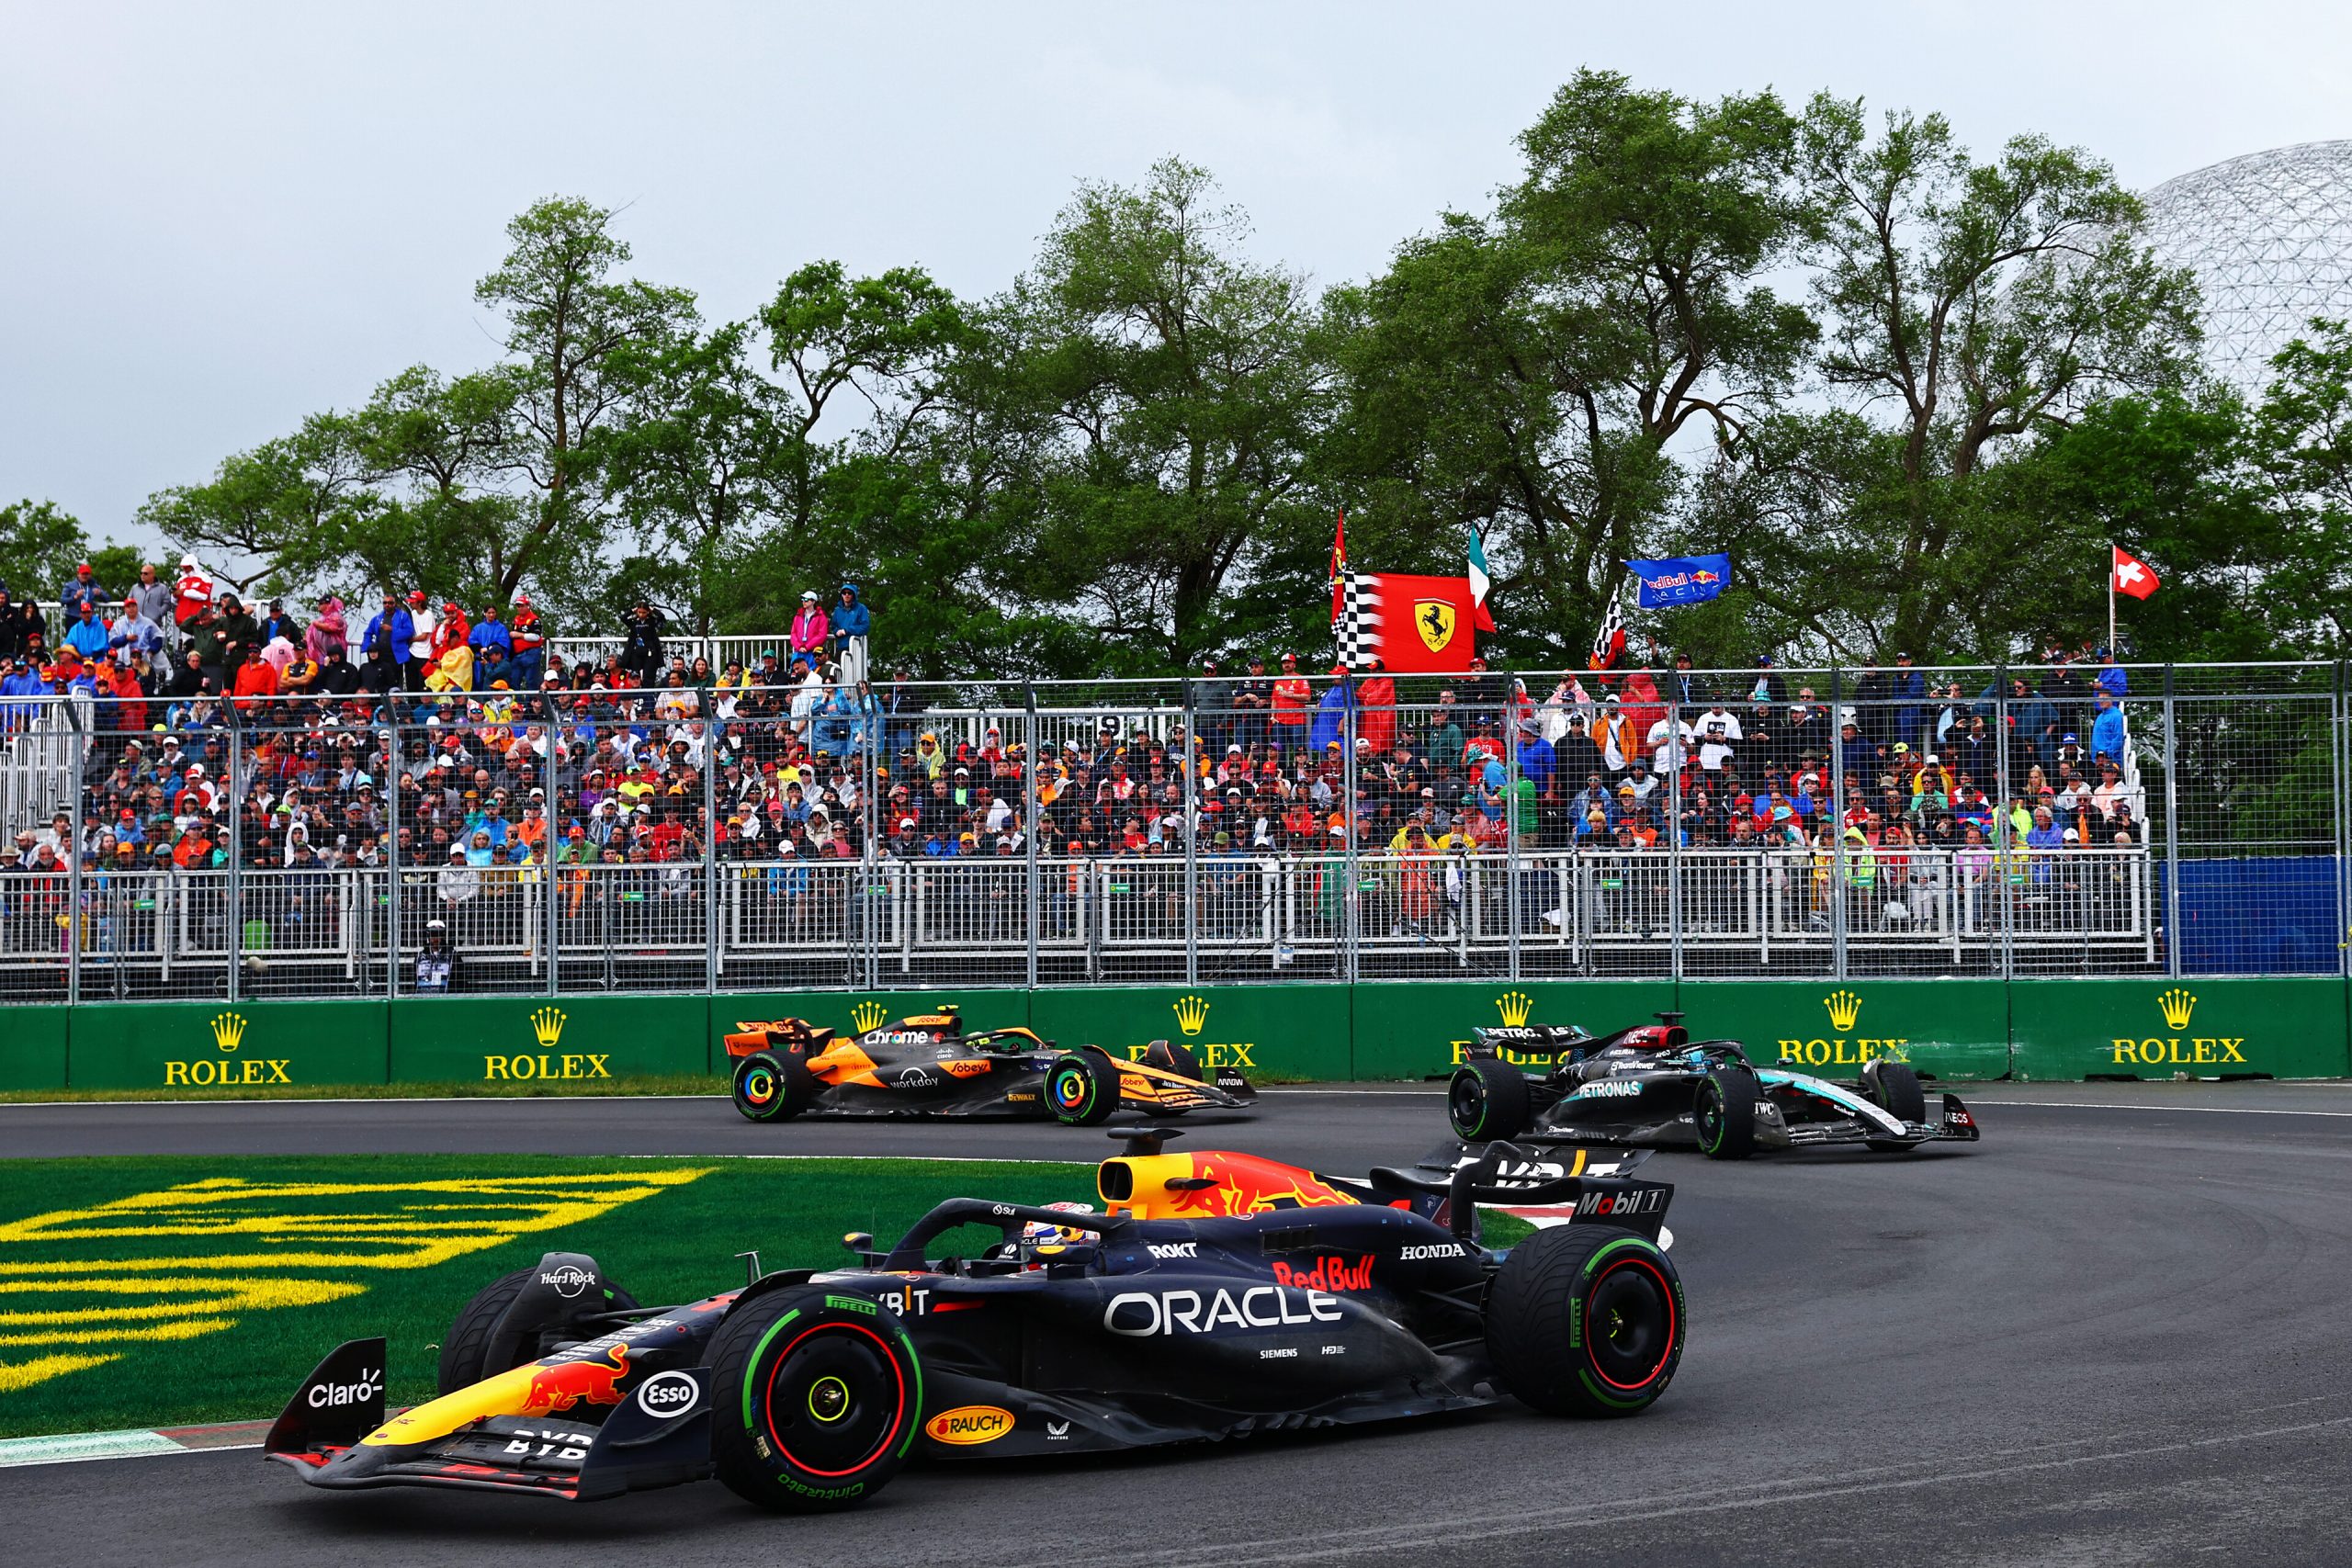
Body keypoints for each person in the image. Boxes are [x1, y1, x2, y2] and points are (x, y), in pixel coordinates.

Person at [830, 582, 871, 685]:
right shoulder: (837, 610)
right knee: (836, 672)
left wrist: (847, 630)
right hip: (841, 646)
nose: (846, 595)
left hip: (856, 648)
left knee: (854, 675)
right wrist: (836, 631)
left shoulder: (861, 608)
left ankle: (857, 691)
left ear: (854, 595)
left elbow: (865, 626)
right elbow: (833, 626)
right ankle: (837, 692)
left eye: (849, 593)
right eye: (844, 593)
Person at [414, 916, 460, 993]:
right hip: (423, 998)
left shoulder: (453, 956)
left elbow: (459, 982)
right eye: (433, 934)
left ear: (442, 936)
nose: (435, 938)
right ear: (428, 936)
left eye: (439, 934)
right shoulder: (420, 957)